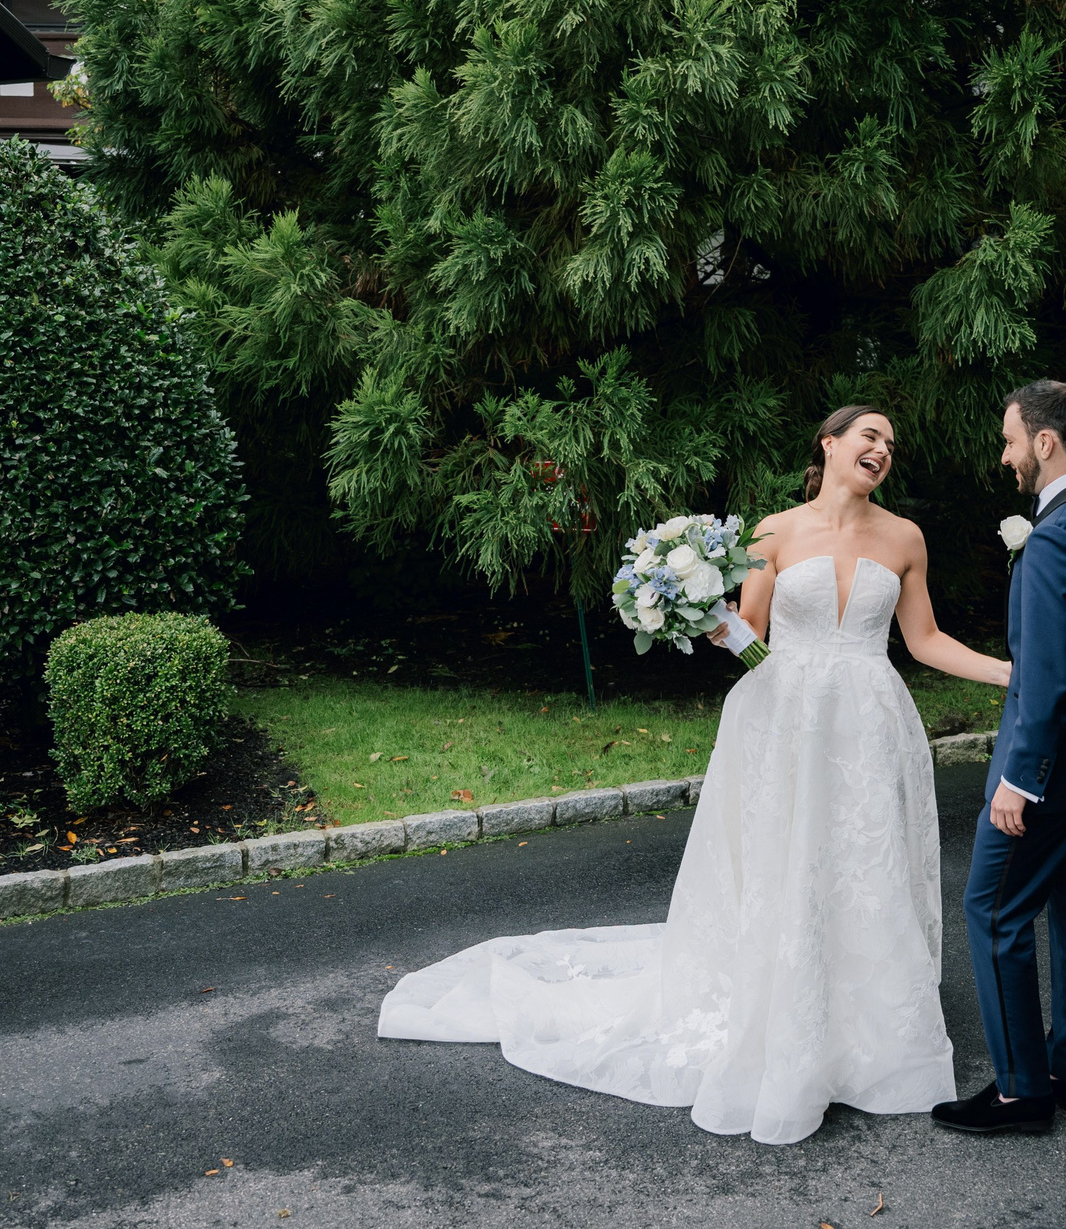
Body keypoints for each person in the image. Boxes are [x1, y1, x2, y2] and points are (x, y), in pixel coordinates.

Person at [376, 404, 1012, 1146]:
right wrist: (712, 622)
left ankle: (866, 1027)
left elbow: (926, 639)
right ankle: (784, 1010)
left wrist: (1011, 673)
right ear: (830, 442)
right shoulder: (774, 530)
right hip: (783, 718)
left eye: (892, 444)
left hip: (871, 723)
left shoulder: (905, 538)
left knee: (863, 864)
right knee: (786, 863)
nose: (882, 449)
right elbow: (754, 641)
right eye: (869, 435)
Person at [932, 379, 1066, 1138]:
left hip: (1051, 775)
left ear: (1045, 442)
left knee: (991, 909)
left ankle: (1024, 1092)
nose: (1006, 454)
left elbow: (1048, 676)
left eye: (1011, 439)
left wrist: (1019, 779)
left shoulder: (1055, 536)